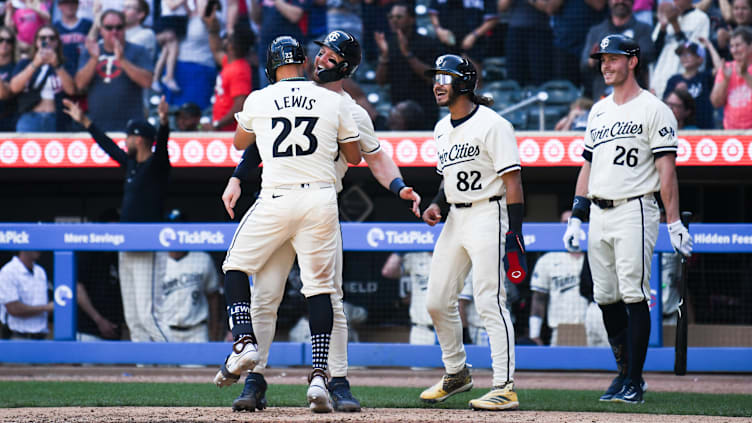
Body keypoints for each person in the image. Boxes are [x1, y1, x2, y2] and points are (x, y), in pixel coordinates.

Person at [220, 30, 421, 413]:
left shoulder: (351, 109)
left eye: (331, 55)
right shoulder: (308, 98)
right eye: (320, 52)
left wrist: (399, 187)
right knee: (267, 296)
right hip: (313, 202)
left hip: (304, 201)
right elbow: (257, 148)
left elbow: (376, 159)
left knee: (330, 297)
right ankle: (256, 378)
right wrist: (235, 177)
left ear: (345, 66)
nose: (321, 59)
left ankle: (336, 380)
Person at [213, 35, 362, 414]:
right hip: (320, 199)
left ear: (272, 64)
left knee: (235, 267)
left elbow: (239, 141)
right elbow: (354, 157)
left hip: (277, 196)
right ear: (303, 61)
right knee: (321, 291)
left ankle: (244, 342)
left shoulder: (259, 98)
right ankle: (317, 378)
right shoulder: (333, 100)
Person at [562, 34, 693, 404]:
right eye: (602, 59)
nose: (606, 64)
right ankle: (623, 375)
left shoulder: (655, 109)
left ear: (633, 61)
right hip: (599, 212)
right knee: (605, 297)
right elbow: (587, 164)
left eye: (614, 58)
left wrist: (673, 223)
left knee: (634, 294)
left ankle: (635, 379)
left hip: (635, 207)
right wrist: (576, 214)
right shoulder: (599, 110)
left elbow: (667, 171)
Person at [420, 54, 526, 411]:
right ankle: (456, 373)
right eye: (436, 77)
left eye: (445, 77)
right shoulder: (441, 128)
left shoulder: (493, 124)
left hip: (489, 212)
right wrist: (437, 204)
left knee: (489, 299)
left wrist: (515, 232)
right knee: (436, 300)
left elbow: (513, 181)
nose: (437, 83)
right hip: (457, 217)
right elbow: (447, 178)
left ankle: (505, 385)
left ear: (463, 83)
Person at [62, 95, 172, 343]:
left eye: (129, 137)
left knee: (148, 315)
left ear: (140, 139)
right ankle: (147, 372)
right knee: (133, 317)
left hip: (147, 245)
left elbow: (163, 146)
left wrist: (164, 122)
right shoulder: (132, 164)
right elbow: (109, 147)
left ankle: (178, 365)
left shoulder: (156, 165)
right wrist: (86, 122)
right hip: (126, 245)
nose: (125, 142)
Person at [530, 210, 608, 347]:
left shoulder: (599, 255)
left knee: (603, 368)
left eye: (574, 223)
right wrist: (534, 334)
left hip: (597, 326)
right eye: (565, 223)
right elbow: (539, 298)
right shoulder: (548, 259)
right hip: (562, 328)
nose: (570, 228)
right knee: (562, 368)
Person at [75, 9, 154, 131]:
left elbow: (147, 82)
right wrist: (94, 59)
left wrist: (122, 60)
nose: (114, 32)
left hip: (131, 126)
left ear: (125, 29)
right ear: (101, 30)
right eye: (109, 28)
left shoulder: (138, 51)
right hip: (98, 125)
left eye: (119, 27)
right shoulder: (91, 52)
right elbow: (79, 84)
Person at [154, 209, 222, 342]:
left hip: (196, 331)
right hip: (165, 330)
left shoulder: (202, 258)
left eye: (180, 228)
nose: (176, 233)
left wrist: (214, 331)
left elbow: (213, 296)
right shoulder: (155, 261)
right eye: (172, 228)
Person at [374, 2, 443, 130]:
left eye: (399, 17)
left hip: (425, 112)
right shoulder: (389, 44)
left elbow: (432, 78)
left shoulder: (428, 43)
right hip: (399, 114)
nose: (394, 21)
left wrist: (408, 54)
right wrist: (384, 56)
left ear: (412, 19)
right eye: (391, 17)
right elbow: (380, 81)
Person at [580, 0, 655, 100]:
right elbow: (584, 64)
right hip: (601, 96)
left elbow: (647, 56)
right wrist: (591, 61)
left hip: (635, 96)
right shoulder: (596, 32)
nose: (620, 1)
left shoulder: (644, 29)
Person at [9, 25, 75, 132]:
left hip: (57, 118)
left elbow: (71, 90)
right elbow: (14, 87)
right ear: (36, 42)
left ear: (57, 42)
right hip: (30, 117)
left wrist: (57, 66)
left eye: (51, 38)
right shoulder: (25, 63)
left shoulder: (65, 63)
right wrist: (35, 64)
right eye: (43, 38)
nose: (47, 41)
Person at [76, 209, 125, 341]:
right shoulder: (87, 253)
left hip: (114, 333)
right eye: (111, 230)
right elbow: (77, 288)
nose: (114, 235)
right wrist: (99, 320)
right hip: (88, 331)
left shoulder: (119, 256)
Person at [650, 0, 710, 99]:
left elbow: (697, 53)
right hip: (660, 80)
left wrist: (675, 24)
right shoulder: (667, 16)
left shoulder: (701, 18)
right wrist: (663, 27)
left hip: (684, 83)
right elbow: (653, 53)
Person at [204, 11, 252, 131]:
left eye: (228, 38)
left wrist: (217, 125)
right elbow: (215, 50)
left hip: (230, 133)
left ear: (232, 45)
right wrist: (213, 29)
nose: (225, 39)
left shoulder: (239, 70)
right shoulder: (229, 62)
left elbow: (240, 106)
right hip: (223, 129)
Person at [381, 252, 436, 347]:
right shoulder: (415, 255)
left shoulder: (452, 253)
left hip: (448, 330)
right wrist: (400, 249)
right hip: (421, 330)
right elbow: (388, 272)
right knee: (418, 361)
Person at [0, 251, 53, 340]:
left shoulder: (40, 272)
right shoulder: (8, 271)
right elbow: (13, 308)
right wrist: (46, 308)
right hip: (17, 337)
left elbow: (44, 304)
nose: (38, 250)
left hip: (41, 337)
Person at [664, 40, 715, 129]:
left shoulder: (705, 77)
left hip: (704, 128)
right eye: (681, 55)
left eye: (688, 54)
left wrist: (709, 45)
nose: (684, 58)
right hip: (678, 129)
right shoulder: (673, 80)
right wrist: (677, 92)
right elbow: (665, 105)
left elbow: (720, 70)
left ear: (700, 58)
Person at [710, 26, 752, 129]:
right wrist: (725, 80)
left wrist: (745, 75)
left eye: (738, 45)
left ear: (750, 46)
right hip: (731, 135)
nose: (734, 50)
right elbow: (715, 103)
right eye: (731, 46)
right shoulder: (726, 68)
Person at [0, 25, 18, 131]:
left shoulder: (17, 67)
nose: (4, 44)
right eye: (0, 40)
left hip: (8, 121)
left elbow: (3, 94)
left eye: (8, 41)